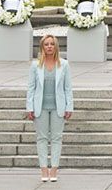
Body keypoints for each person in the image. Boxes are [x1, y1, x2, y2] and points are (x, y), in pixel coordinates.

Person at [26, 35, 73, 182]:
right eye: (46, 44)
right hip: (40, 107)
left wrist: (69, 106)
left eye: (52, 44)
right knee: (42, 138)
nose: (49, 47)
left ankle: (54, 170)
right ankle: (43, 170)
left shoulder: (64, 65)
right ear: (42, 47)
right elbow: (31, 88)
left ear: (56, 46)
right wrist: (29, 107)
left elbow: (67, 88)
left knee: (57, 138)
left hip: (58, 107)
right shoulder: (35, 65)